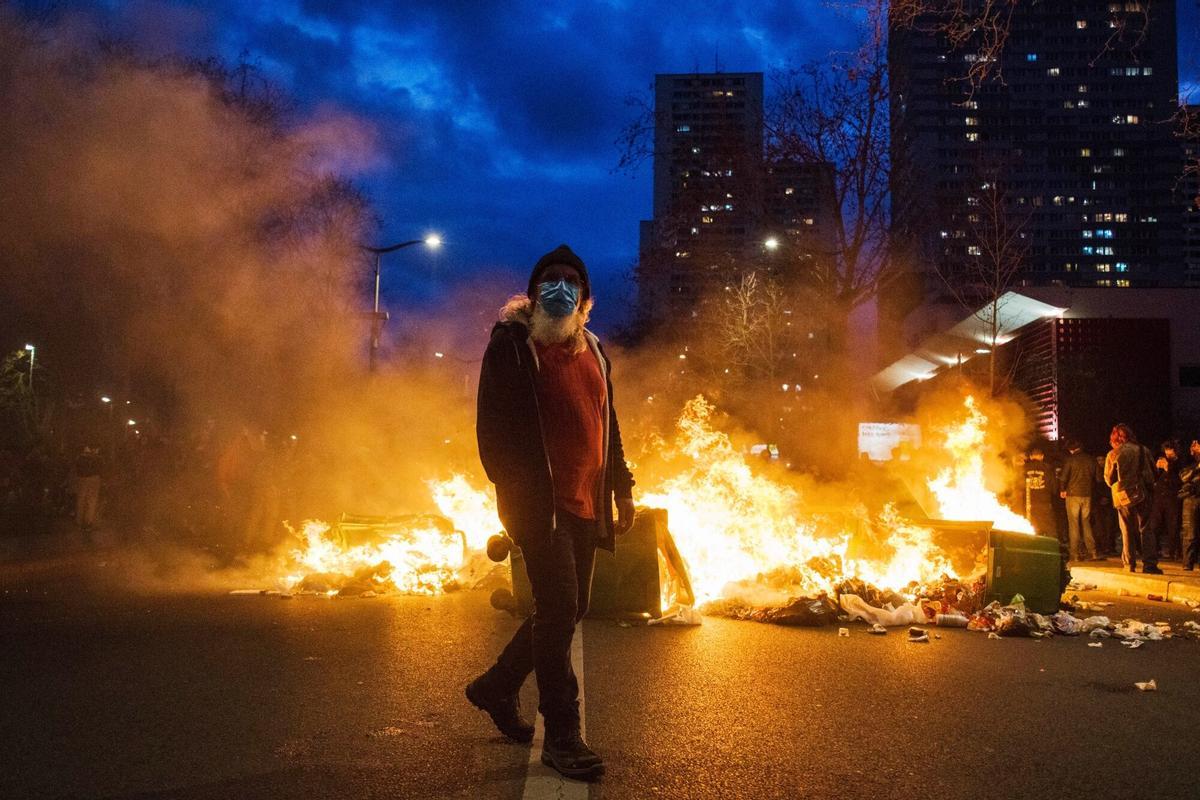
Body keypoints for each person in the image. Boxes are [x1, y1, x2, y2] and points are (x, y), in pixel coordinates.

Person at [468, 244, 635, 782]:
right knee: (560, 608)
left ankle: (496, 686)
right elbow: (493, 435)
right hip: (542, 509)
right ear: (533, 292)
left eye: (570, 281)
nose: (559, 287)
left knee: (571, 606)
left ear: (585, 299)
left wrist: (622, 489)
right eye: (549, 280)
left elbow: (608, 426)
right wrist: (518, 499)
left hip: (587, 503)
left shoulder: (594, 350)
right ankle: (563, 734)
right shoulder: (515, 346)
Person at [1104, 423, 1159, 574]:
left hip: (1122, 497)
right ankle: (1150, 565)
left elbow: (1109, 480)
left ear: (1116, 438)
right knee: (1146, 528)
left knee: (1126, 530)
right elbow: (1154, 473)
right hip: (1142, 494)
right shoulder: (1143, 450)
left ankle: (1129, 564)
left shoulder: (1113, 454)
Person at [1058, 439, 1099, 562]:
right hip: (1087, 495)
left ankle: (1074, 554)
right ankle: (1093, 552)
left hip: (1072, 495)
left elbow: (1063, 477)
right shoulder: (1091, 459)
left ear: (1071, 449)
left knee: (1073, 524)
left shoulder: (1070, 460)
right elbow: (1098, 478)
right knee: (1086, 523)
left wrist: (1062, 490)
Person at [1148, 440, 1183, 560]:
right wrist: (1157, 468)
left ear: (1175, 452)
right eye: (1166, 453)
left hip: (1172, 499)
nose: (1168, 456)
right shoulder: (1163, 460)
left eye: (1170, 454)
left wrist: (1168, 469)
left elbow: (1179, 481)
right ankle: (1155, 550)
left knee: (1173, 526)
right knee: (1154, 525)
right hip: (1158, 499)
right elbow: (1155, 478)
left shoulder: (1180, 464)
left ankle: (1174, 553)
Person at [1023, 447, 1058, 539]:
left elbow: (1019, 486)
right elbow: (1054, 487)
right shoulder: (1048, 468)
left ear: (1031, 457)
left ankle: (1034, 548)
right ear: (1042, 456)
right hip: (1045, 502)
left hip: (1029, 504)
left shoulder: (1024, 469)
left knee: (1033, 527)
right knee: (1049, 527)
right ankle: (1050, 548)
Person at [1179, 439, 1200, 571]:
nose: (1196, 445)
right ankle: (1188, 564)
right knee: (1190, 533)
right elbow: (1183, 476)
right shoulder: (1188, 461)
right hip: (1191, 499)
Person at [73, 445, 103, 533]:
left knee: (81, 500)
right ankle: (88, 522)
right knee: (91, 501)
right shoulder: (97, 458)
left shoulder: (79, 458)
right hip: (94, 479)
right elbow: (101, 468)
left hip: (82, 478)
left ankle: (79, 521)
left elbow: (77, 468)